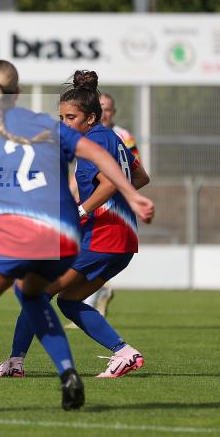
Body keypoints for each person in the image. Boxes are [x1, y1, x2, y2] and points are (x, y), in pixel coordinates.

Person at [0, 61, 154, 413]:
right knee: (41, 297)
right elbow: (109, 164)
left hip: (30, 234)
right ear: (16, 92)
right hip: (69, 234)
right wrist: (131, 194)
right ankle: (66, 371)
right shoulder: (51, 127)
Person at [0, 70, 151, 380]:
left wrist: (81, 210)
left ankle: (15, 362)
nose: (64, 125)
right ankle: (124, 353)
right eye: (61, 117)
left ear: (90, 118)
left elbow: (107, 185)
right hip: (123, 238)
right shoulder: (112, 138)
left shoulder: (90, 142)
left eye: (71, 118)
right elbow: (140, 178)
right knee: (70, 300)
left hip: (102, 236)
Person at [77, 91, 142, 319]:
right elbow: (136, 176)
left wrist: (85, 207)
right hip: (116, 226)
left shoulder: (114, 137)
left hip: (105, 223)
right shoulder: (101, 137)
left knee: (45, 290)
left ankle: (18, 354)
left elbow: (120, 179)